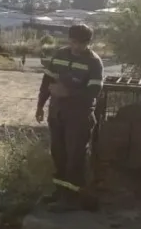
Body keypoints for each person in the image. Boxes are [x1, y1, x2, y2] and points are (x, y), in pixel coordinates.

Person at [35, 24, 104, 211]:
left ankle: (71, 199)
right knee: (58, 155)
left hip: (78, 117)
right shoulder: (60, 55)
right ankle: (60, 192)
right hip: (57, 114)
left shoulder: (94, 62)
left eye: (81, 43)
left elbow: (94, 91)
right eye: (73, 42)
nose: (76, 47)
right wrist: (40, 105)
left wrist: (68, 93)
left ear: (88, 42)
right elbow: (47, 81)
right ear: (69, 39)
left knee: (75, 157)